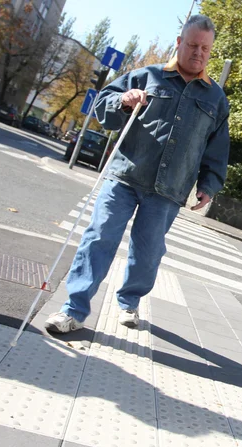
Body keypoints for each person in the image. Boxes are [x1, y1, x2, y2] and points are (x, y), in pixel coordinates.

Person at [45, 14, 229, 334]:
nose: (199, 52)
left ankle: (129, 301)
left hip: (169, 189)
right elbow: (104, 104)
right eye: (193, 45)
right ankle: (73, 310)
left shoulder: (216, 99)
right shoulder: (148, 76)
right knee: (99, 236)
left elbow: (216, 149)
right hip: (125, 176)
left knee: (148, 253)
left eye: (206, 48)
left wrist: (209, 184)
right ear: (179, 43)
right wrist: (123, 100)